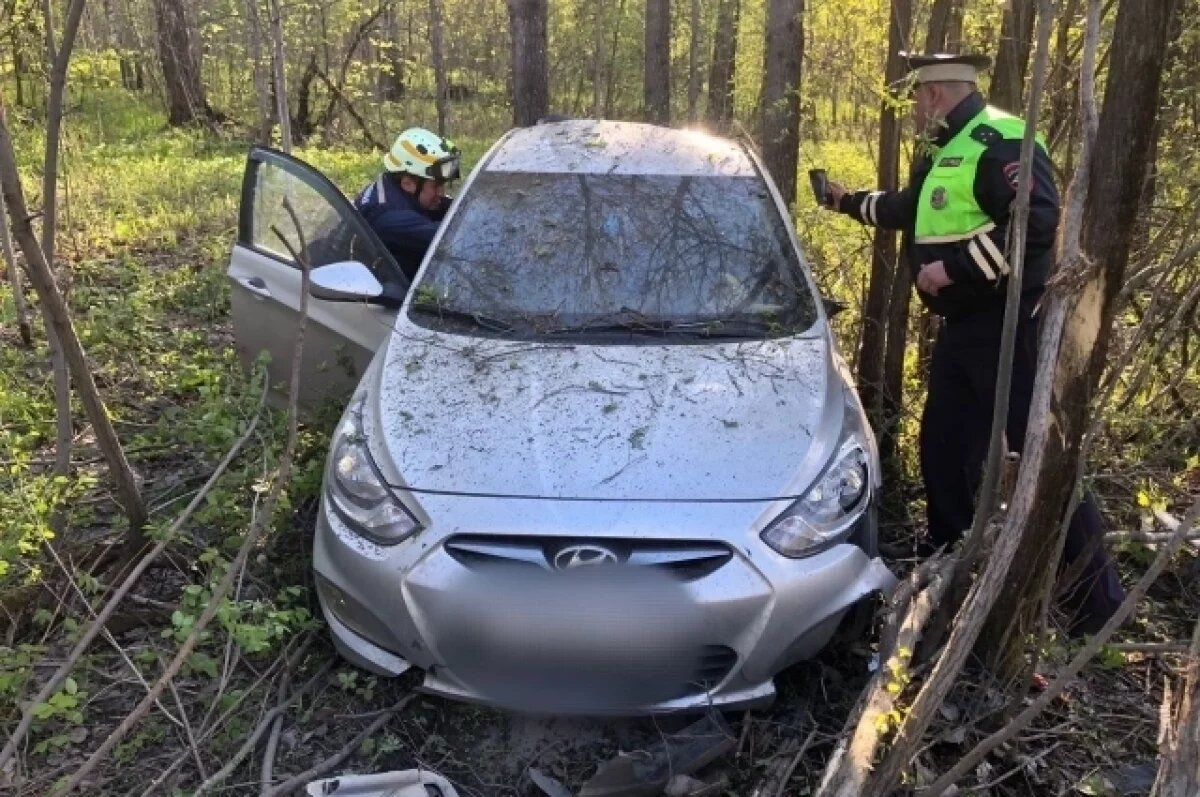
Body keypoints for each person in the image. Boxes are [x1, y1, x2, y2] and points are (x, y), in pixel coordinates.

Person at [824, 52, 1124, 635]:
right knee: (944, 443)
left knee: (1042, 458)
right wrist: (845, 201)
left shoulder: (1001, 138)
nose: (912, 110)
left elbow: (1036, 221)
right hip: (965, 331)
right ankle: (948, 559)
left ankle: (1099, 607)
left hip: (1010, 326)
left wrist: (956, 269)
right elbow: (913, 209)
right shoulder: (947, 149)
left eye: (916, 99)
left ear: (935, 95)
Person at [356, 127, 461, 282]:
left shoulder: (392, 186)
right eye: (436, 186)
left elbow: (450, 207)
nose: (441, 192)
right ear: (408, 183)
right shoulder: (390, 218)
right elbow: (454, 241)